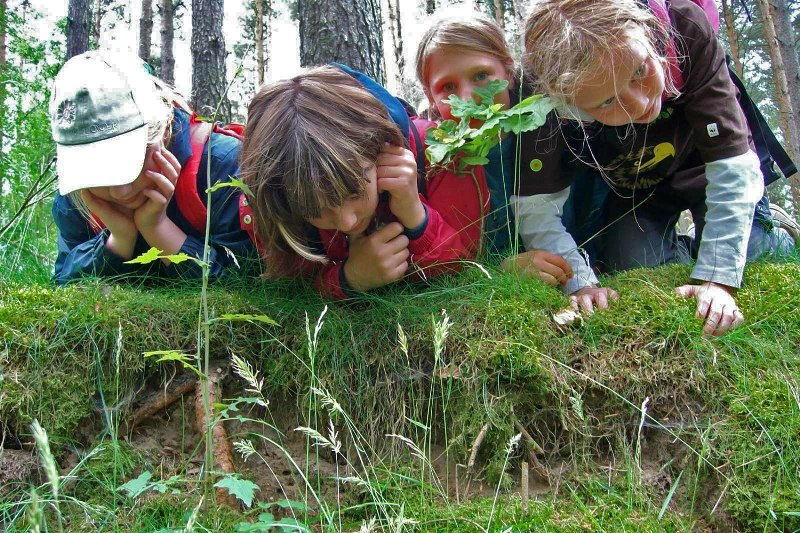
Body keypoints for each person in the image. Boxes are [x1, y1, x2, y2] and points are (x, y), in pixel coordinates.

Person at [518, 0, 796, 335]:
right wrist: (581, 285)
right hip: (638, 184)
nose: (640, 102)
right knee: (631, 265)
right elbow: (536, 206)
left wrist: (716, 279)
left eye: (639, 71)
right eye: (607, 101)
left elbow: (730, 165)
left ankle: (774, 233)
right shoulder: (539, 97)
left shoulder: (685, 28)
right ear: (568, 104)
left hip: (708, 163)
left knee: (748, 255)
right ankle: (694, 243)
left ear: (650, 36)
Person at [415, 9, 618, 312]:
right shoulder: (439, 161)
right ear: (430, 97)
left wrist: (585, 276)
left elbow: (592, 205)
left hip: (592, 255)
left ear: (508, 72)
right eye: (448, 88)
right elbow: (448, 254)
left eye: (482, 76)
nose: (468, 98)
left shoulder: (552, 124)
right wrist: (502, 269)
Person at [237, 65, 485, 299]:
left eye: (354, 192)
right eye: (314, 210)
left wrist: (414, 213)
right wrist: (348, 279)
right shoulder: (270, 198)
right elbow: (290, 287)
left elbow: (467, 267)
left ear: (380, 147)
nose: (347, 221)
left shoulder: (437, 151)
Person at [50, 51, 257, 284]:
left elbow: (251, 286)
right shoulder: (76, 198)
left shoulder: (220, 169)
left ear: (164, 129)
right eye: (99, 173)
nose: (121, 191)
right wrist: (118, 240)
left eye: (130, 164)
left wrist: (159, 229)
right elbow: (63, 284)